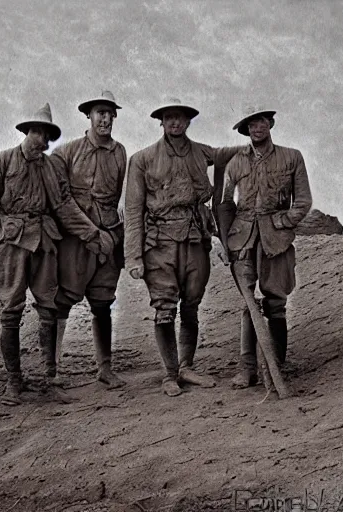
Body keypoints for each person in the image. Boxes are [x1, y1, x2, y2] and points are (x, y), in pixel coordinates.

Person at [0, 103, 114, 405]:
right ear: (28, 131)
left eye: (49, 134)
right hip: (10, 246)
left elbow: (64, 206)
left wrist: (92, 233)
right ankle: (15, 382)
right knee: (11, 312)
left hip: (44, 244)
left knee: (48, 309)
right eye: (40, 133)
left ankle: (49, 379)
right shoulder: (2, 161)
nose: (45, 140)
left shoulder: (51, 166)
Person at [125, 98, 241, 397]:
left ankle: (187, 366)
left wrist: (255, 143)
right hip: (159, 243)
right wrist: (134, 256)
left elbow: (228, 154)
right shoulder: (142, 159)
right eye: (169, 117)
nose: (175, 122)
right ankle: (170, 374)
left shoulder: (202, 153)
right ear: (160, 122)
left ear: (188, 121)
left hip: (195, 239)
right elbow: (134, 210)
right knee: (165, 308)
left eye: (181, 117)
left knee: (191, 305)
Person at [216, 107, 312, 388]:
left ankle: (276, 365)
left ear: (270, 123)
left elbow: (303, 201)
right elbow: (223, 203)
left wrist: (283, 220)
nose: (256, 127)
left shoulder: (291, 157)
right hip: (242, 239)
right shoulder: (235, 163)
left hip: (276, 238)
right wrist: (225, 242)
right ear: (245, 130)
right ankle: (247, 369)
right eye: (250, 123)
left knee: (275, 302)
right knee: (248, 302)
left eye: (261, 121)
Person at [50, 91, 127, 389]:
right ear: (89, 116)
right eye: (99, 112)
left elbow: (123, 198)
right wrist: (88, 233)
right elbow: (60, 199)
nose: (105, 118)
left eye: (109, 113)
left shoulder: (120, 153)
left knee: (103, 303)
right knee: (63, 302)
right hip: (76, 240)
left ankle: (104, 368)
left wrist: (113, 236)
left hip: (109, 239)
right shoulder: (66, 152)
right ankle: (53, 368)